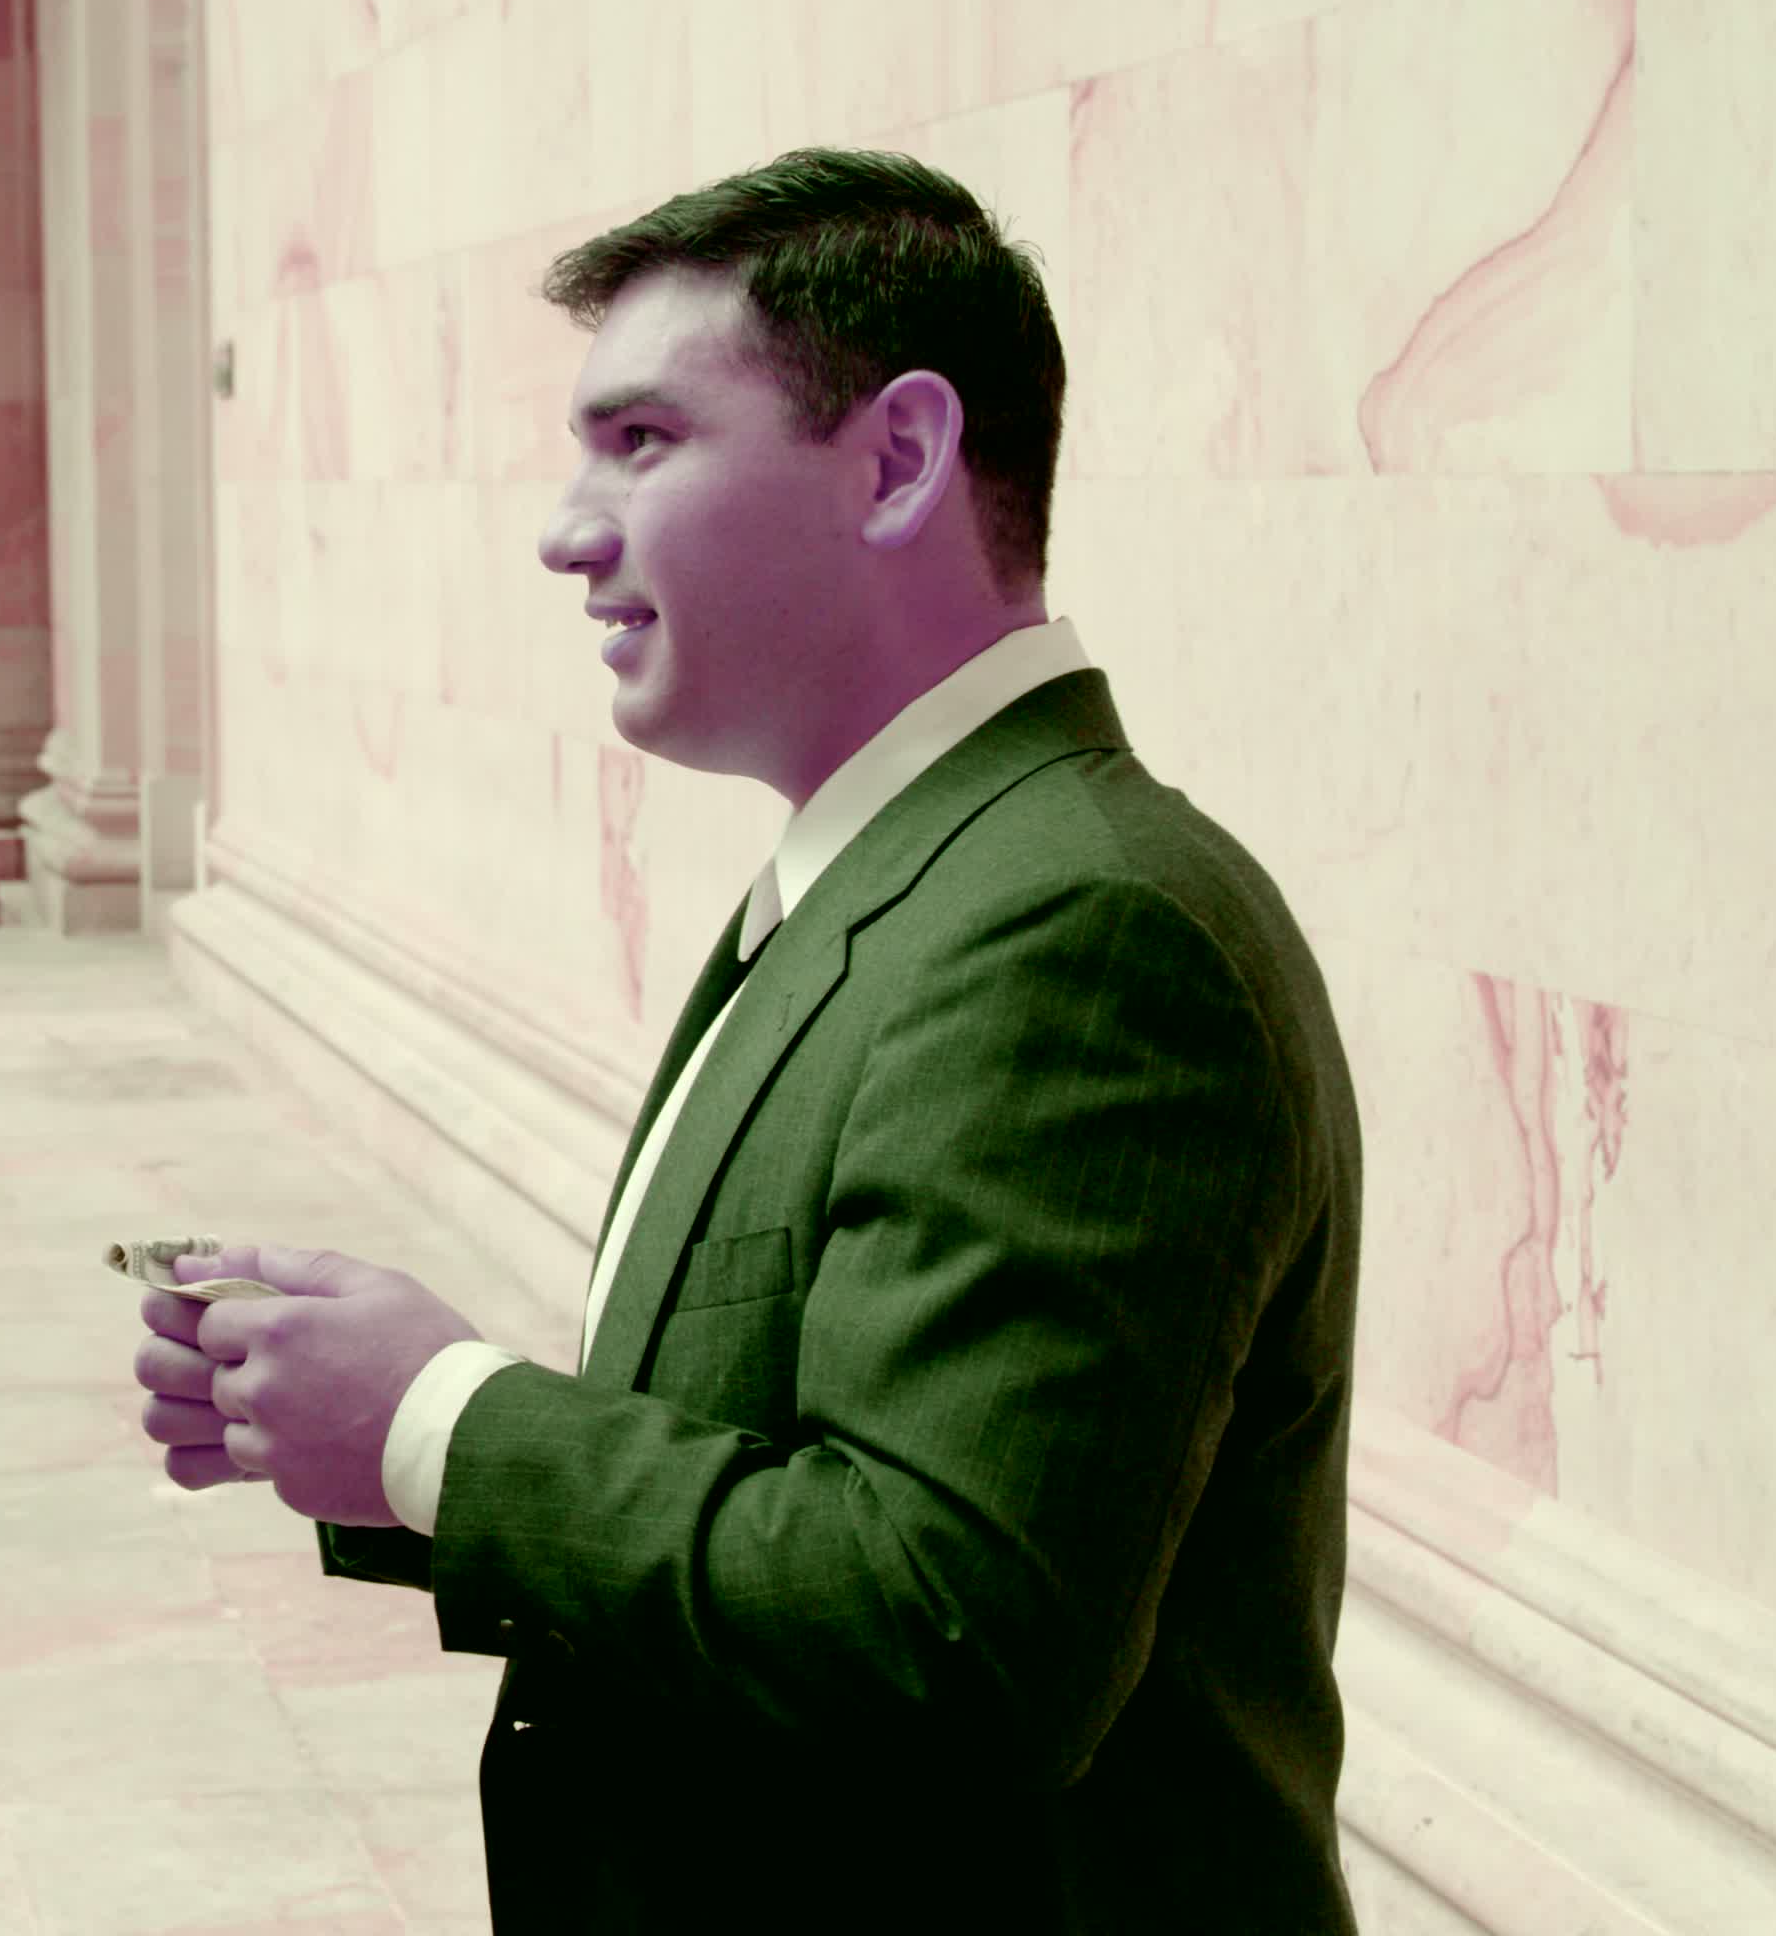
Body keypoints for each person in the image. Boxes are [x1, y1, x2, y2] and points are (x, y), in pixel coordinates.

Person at [131, 150, 1360, 1932]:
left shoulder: (1085, 931)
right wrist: (358, 1421)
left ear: (899, 459)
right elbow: (780, 1462)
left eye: (642, 441)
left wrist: (439, 1423)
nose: (566, 531)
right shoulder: (891, 878)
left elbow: (952, 1636)